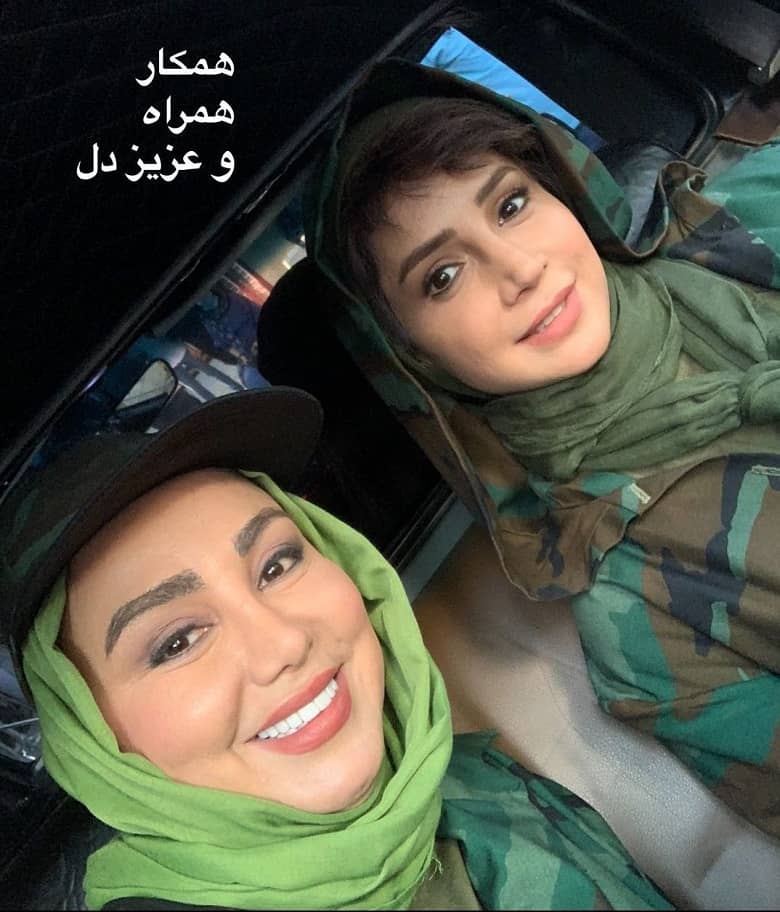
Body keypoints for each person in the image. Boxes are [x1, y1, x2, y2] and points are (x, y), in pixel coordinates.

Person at [302, 59, 780, 841]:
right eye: (443, 276)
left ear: (566, 188)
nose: (520, 269)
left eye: (512, 204)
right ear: (412, 358)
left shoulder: (751, 216)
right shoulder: (643, 613)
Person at [0, 387, 673, 910]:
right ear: (89, 739)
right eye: (176, 641)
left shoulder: (464, 775)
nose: (283, 642)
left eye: (276, 564)